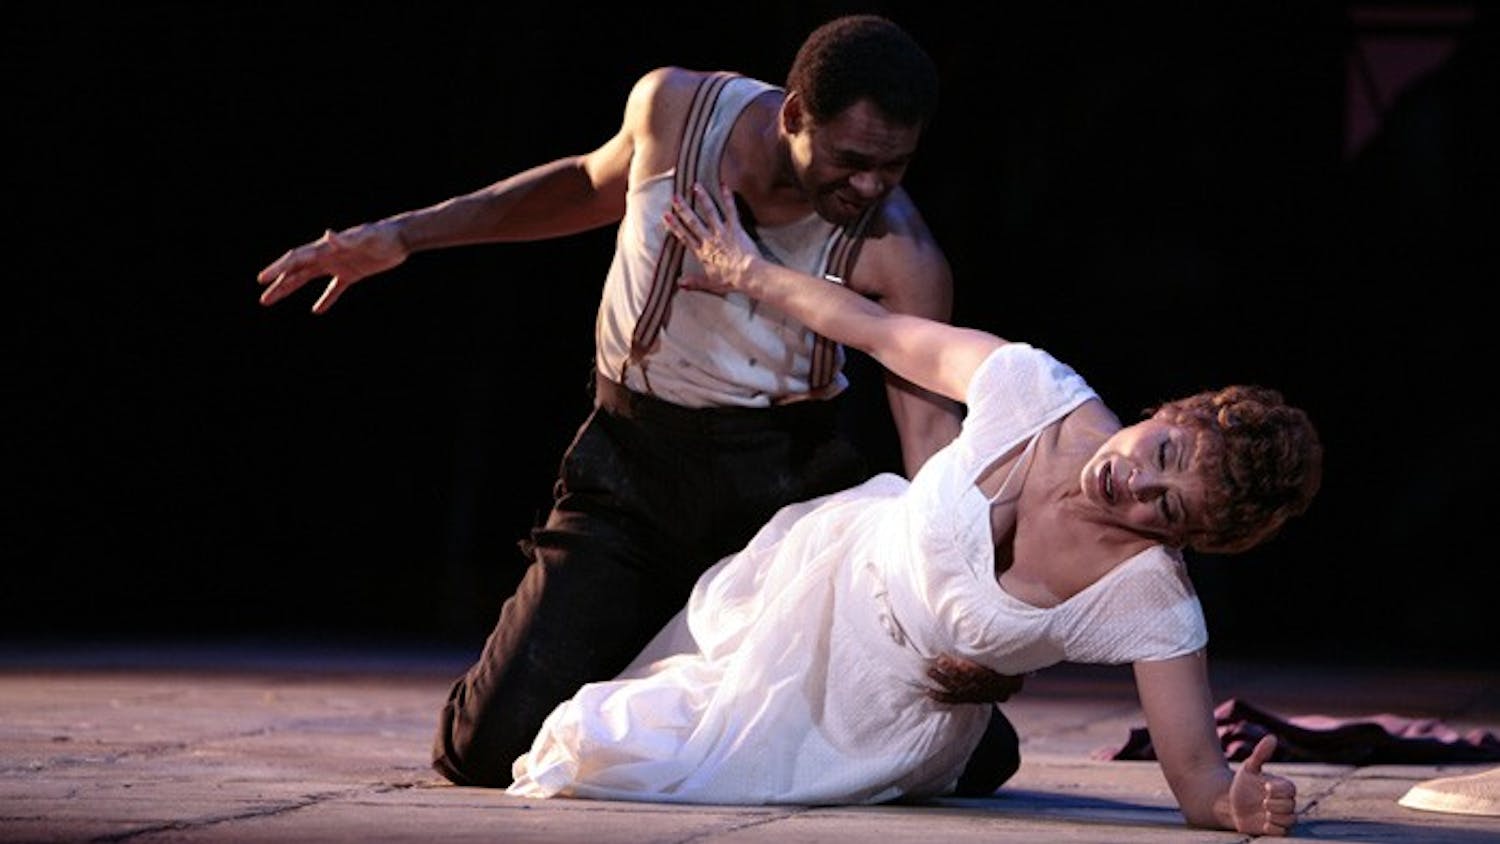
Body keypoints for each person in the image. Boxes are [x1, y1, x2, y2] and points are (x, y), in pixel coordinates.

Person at [256, 15, 1024, 792]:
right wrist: (405, 235)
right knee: (483, 752)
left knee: (974, 752)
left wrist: (964, 617)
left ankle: (693, 669)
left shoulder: (902, 253)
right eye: (852, 160)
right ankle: (658, 660)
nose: (868, 187)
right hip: (631, 470)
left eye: (893, 167)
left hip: (781, 498)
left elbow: (931, 443)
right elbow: (590, 183)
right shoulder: (677, 112)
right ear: (795, 114)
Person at [504, 181, 1321, 838]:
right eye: (1165, 455)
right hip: (807, 583)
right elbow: (877, 328)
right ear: (1169, 412)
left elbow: (1196, 775)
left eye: (1167, 511)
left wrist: (1232, 806)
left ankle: (966, 752)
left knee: (645, 763)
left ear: (1180, 543)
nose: (1137, 486)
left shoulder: (1148, 595)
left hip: (877, 716)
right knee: (591, 736)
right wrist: (743, 267)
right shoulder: (1031, 387)